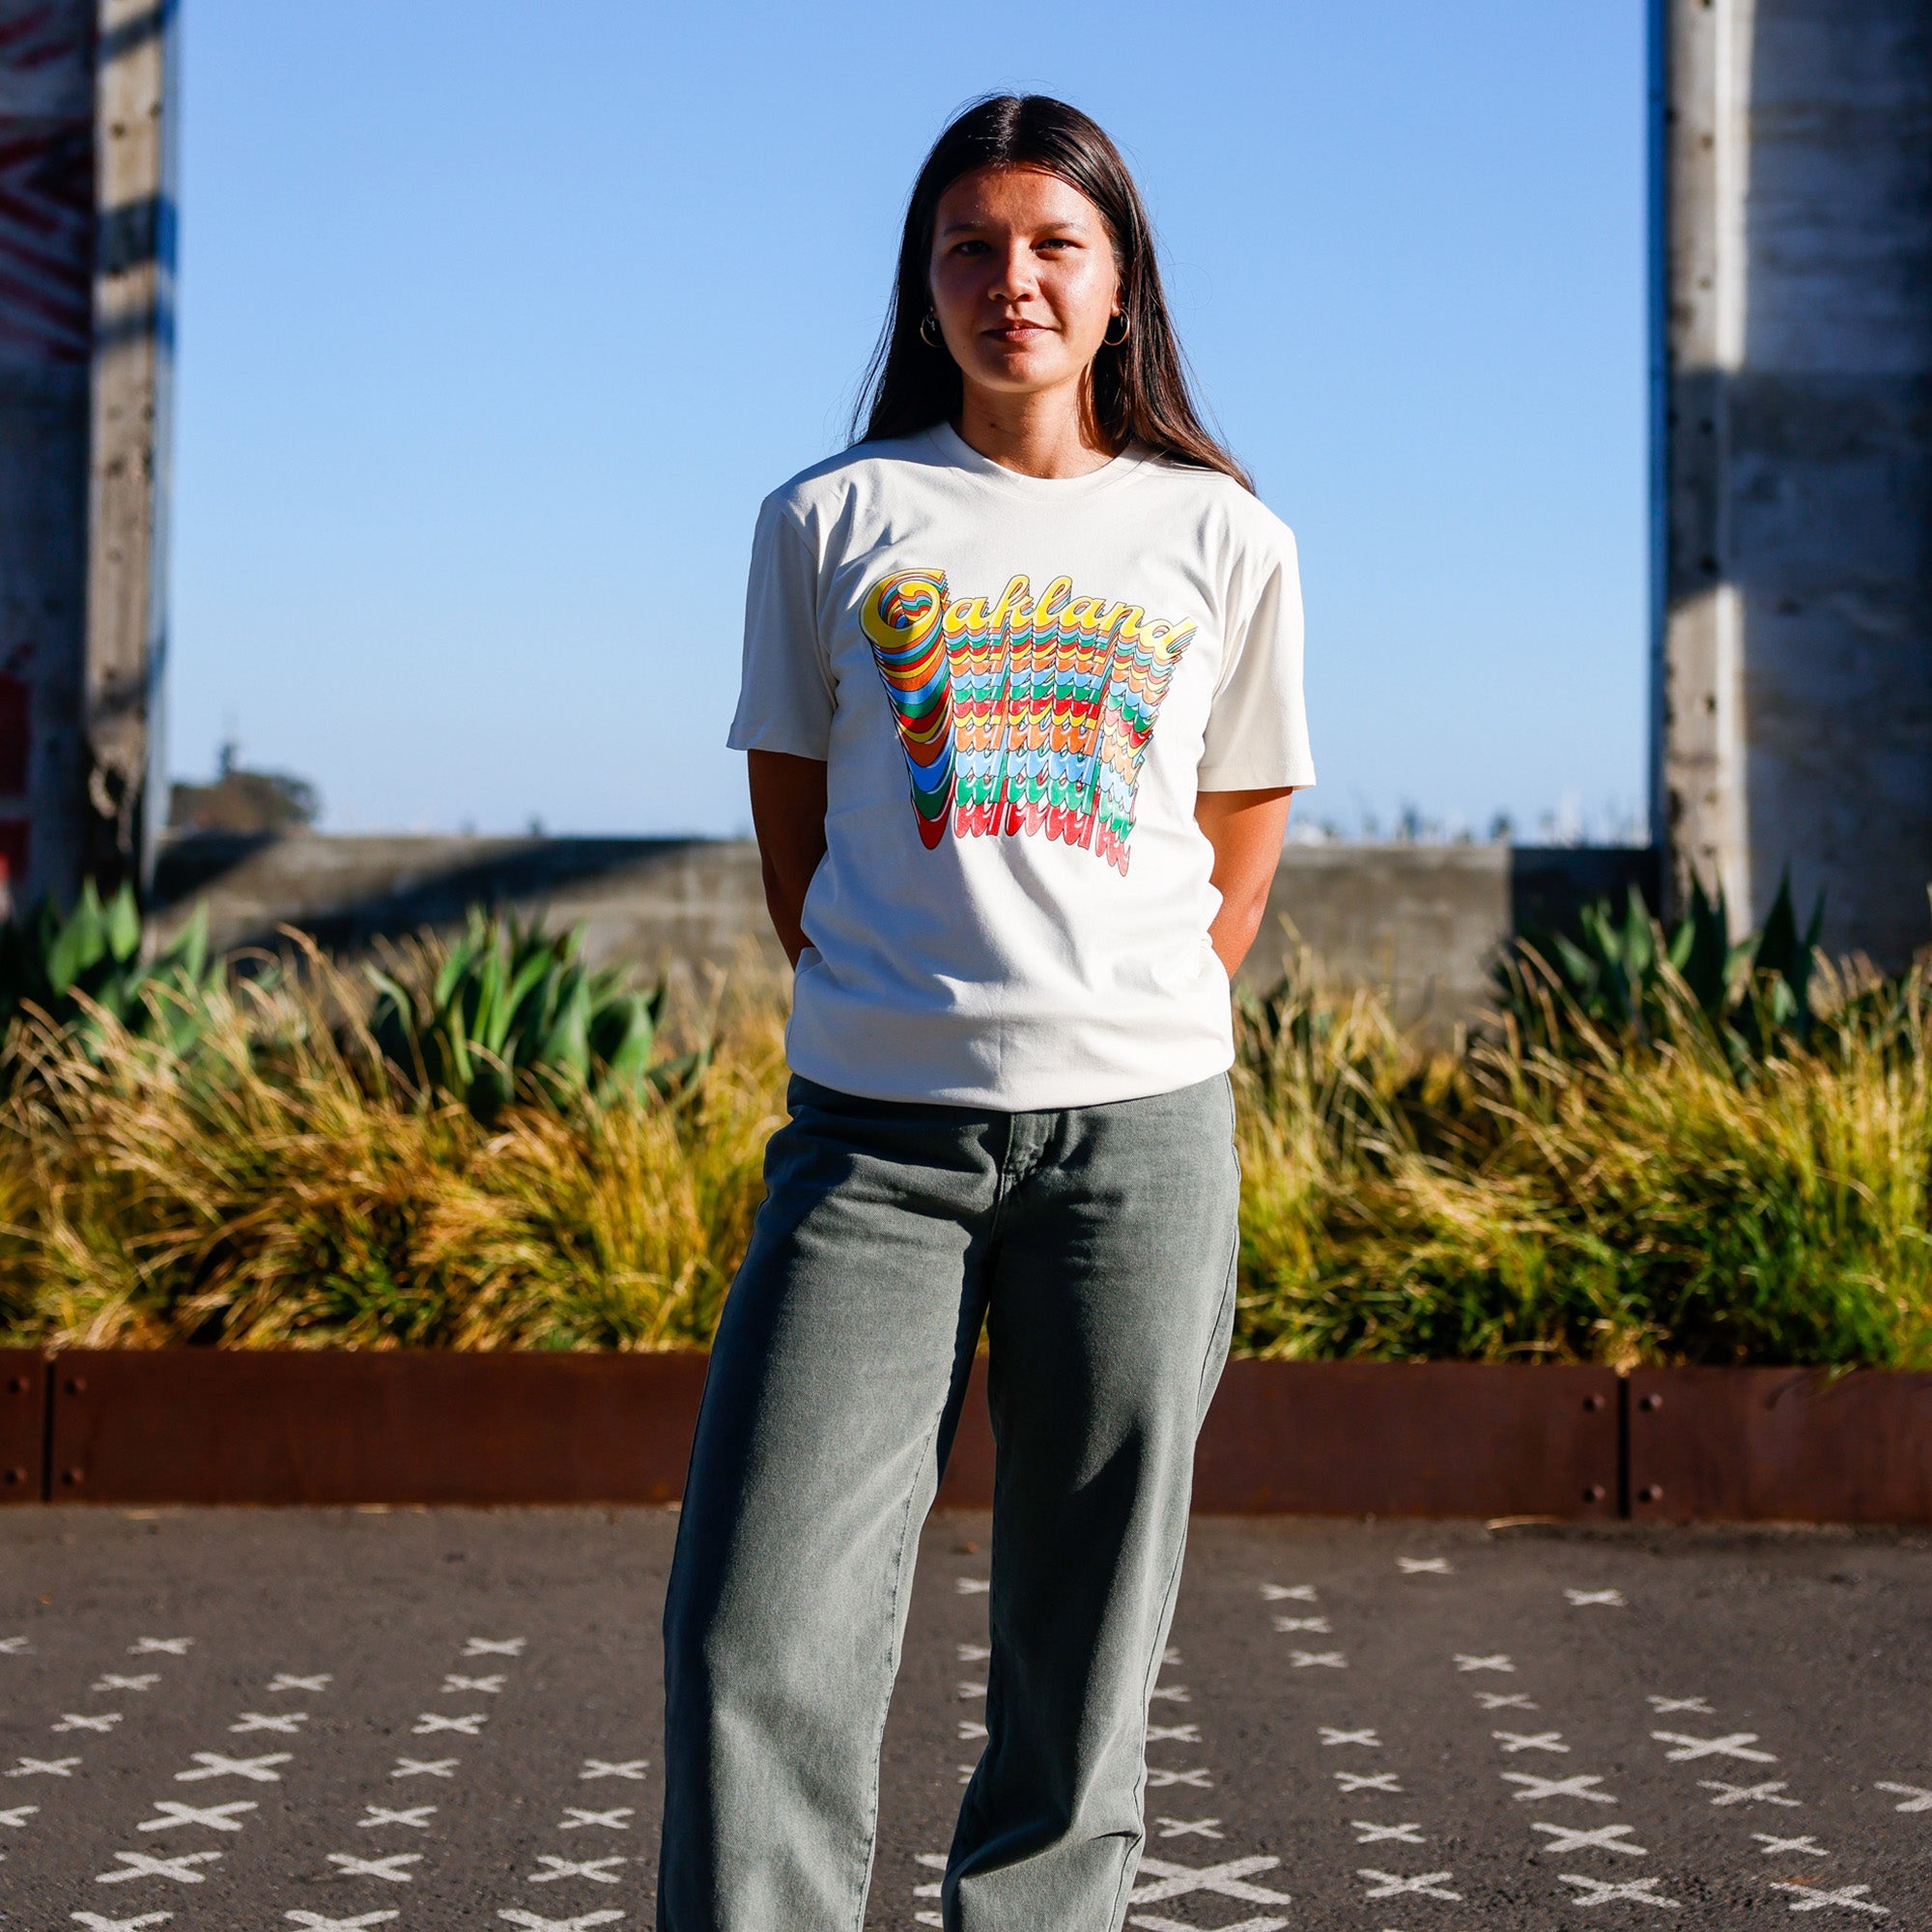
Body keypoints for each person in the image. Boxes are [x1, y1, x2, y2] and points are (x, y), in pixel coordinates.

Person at [657, 92, 1314, 1932]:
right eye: (970, 246)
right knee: (755, 1618)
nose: (1008, 281)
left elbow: (1237, 854)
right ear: (922, 281)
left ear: (1119, 285)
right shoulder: (830, 521)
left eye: (1051, 247)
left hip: (1142, 1145)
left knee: (1080, 1649)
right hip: (873, 1145)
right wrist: (923, 1005)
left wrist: (1113, 1016)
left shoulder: (1226, 541)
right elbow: (800, 857)